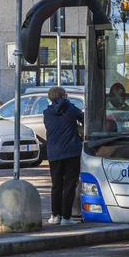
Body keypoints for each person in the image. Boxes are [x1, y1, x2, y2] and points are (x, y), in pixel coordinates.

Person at [43, 86, 84, 226]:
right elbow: (84, 119)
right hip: (72, 151)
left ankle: (55, 216)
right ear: (63, 95)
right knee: (70, 184)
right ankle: (66, 217)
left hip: (54, 153)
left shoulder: (46, 112)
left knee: (56, 184)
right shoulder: (71, 108)